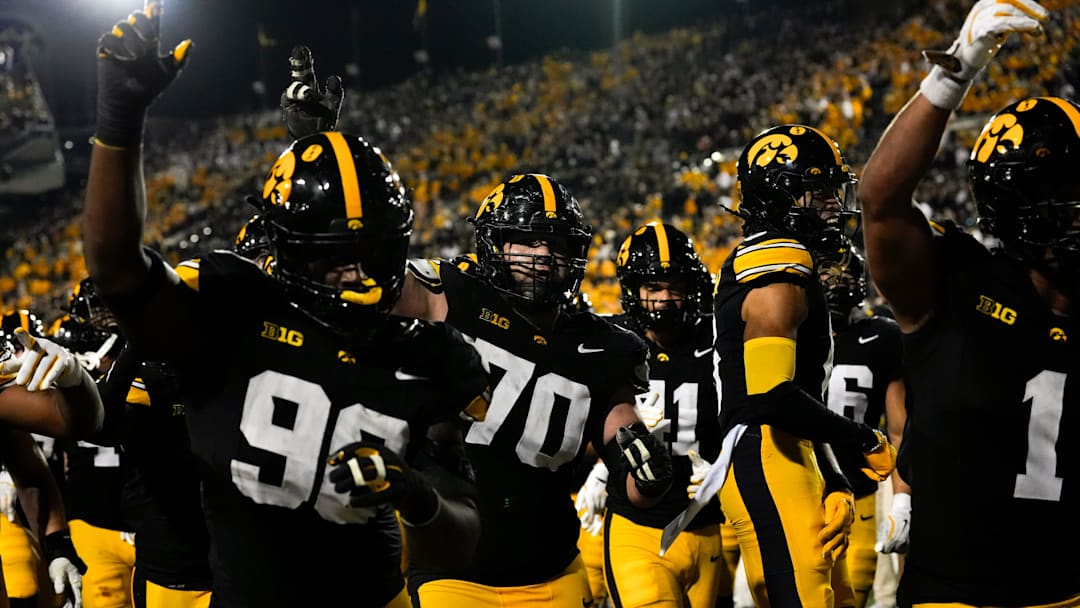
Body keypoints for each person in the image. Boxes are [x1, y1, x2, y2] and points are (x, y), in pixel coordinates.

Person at [83, 4, 490, 606]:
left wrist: (412, 492)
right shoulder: (231, 309)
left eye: (371, 253)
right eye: (333, 257)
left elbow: (456, 546)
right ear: (288, 251)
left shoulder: (433, 356)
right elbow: (118, 269)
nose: (355, 274)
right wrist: (121, 121)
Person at [858, 0, 1080, 604]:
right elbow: (879, 199)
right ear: (1019, 203)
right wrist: (954, 71)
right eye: (1067, 191)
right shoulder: (956, 282)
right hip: (953, 593)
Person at [395, 173, 671, 608]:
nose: (543, 255)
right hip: (451, 576)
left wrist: (651, 475)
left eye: (557, 244)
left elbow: (633, 470)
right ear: (495, 244)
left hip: (554, 575)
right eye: (527, 241)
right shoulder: (447, 296)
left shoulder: (600, 347)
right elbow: (361, 291)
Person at [710, 124, 897, 607]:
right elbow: (771, 394)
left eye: (832, 190)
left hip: (787, 453)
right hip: (768, 455)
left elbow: (796, 396)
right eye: (817, 192)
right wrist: (864, 438)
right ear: (778, 199)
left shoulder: (786, 260)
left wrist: (832, 475)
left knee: (839, 599)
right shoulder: (780, 261)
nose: (834, 203)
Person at [600, 221, 732, 608]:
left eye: (675, 287)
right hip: (638, 526)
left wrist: (724, 467)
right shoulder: (611, 342)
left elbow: (746, 421)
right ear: (633, 290)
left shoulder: (716, 341)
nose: (666, 299)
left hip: (705, 526)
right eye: (654, 287)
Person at [819, 248, 908, 608]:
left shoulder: (882, 337)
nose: (837, 283)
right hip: (802, 489)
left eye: (846, 275)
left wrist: (902, 498)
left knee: (850, 598)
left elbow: (900, 428)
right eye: (828, 273)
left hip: (860, 496)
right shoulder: (791, 331)